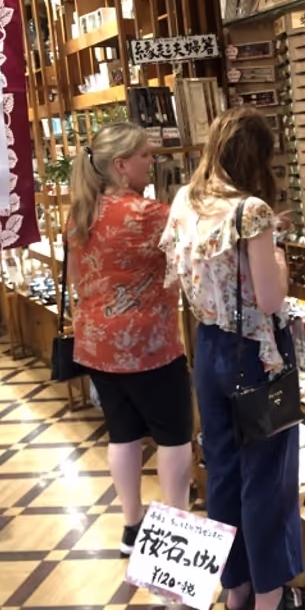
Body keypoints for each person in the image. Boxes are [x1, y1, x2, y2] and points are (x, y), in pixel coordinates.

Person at [161, 107, 305, 610]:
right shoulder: (251, 211)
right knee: (267, 472)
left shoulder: (186, 201)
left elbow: (192, 274)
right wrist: (277, 255)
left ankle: (236, 588)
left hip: (209, 346)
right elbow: (270, 297)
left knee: (224, 467)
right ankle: (271, 599)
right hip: (256, 353)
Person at [68, 123, 192, 556]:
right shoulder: (148, 214)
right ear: (121, 165)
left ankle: (132, 526)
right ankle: (175, 531)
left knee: (122, 435)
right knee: (174, 437)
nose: (151, 161)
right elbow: (191, 252)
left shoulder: (81, 213)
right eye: (144, 155)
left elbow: (78, 279)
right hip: (149, 347)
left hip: (96, 345)